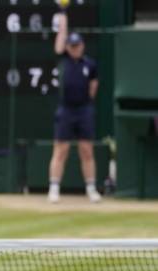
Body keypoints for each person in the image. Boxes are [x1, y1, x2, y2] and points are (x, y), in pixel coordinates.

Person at [48, 11, 101, 203]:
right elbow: (59, 42)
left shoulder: (90, 64)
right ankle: (54, 188)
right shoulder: (63, 59)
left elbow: (94, 85)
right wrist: (63, 21)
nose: (74, 48)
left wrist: (86, 101)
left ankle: (91, 188)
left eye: (77, 45)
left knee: (86, 150)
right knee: (60, 149)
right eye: (71, 45)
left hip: (84, 110)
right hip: (66, 110)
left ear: (82, 46)